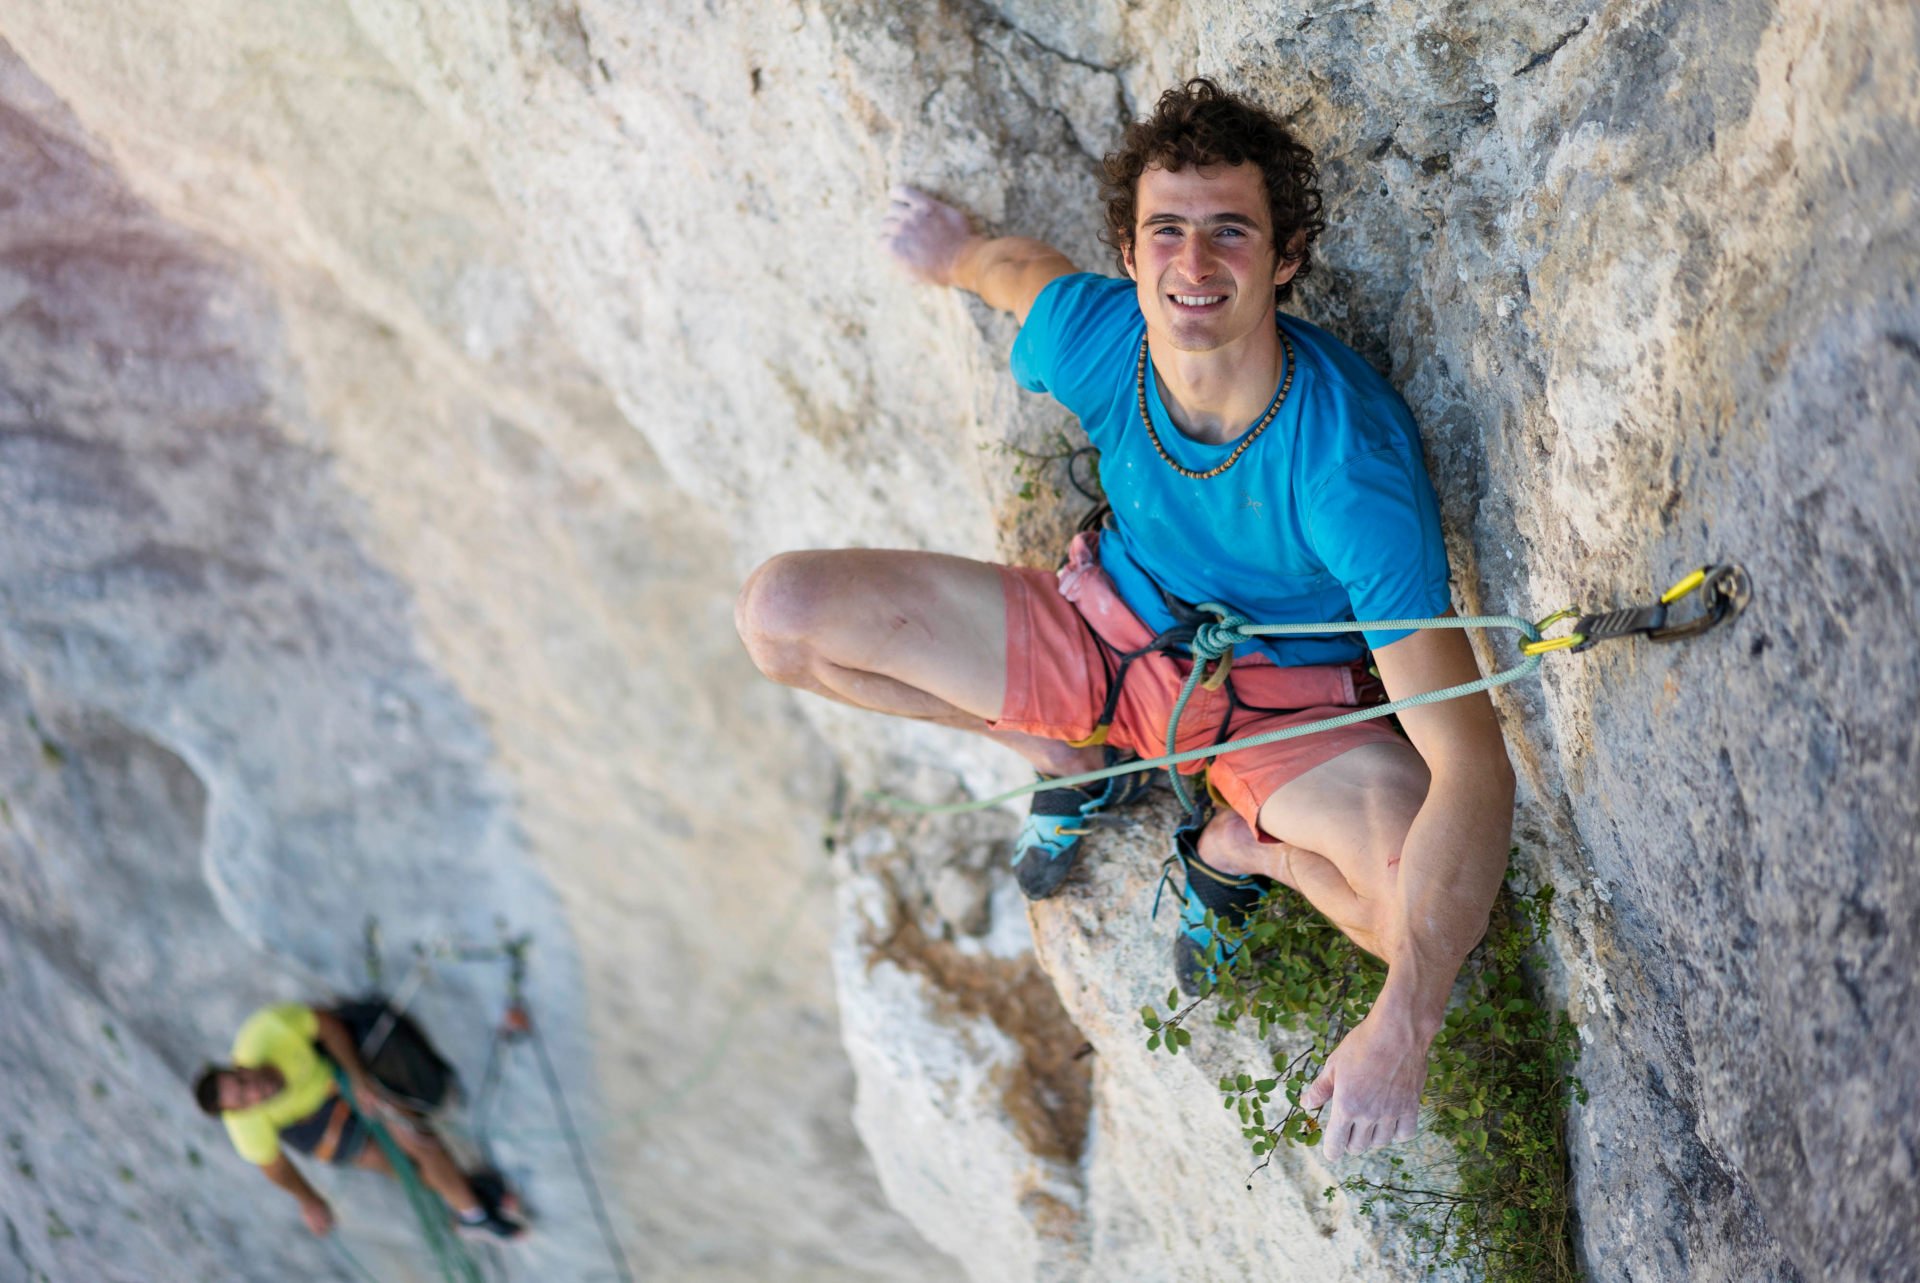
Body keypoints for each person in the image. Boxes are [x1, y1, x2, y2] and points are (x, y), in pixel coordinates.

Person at [734, 77, 1516, 1163]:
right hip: (1101, 633)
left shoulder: (1347, 467)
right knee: (779, 616)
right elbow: (1020, 278)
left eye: (1231, 233)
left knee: (1416, 923)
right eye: (1168, 233)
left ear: (1285, 257)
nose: (1195, 266)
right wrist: (952, 252)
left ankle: (1244, 849)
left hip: (1278, 718)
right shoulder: (1107, 340)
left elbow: (1470, 760)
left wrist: (1404, 1027)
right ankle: (1064, 751)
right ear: (1132, 248)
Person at [191, 1001, 524, 1239]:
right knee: (395, 1164)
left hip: (336, 1085)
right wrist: (311, 1201)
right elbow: (276, 1168)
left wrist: (358, 1075)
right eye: (244, 1100)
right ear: (239, 1113)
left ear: (239, 1066)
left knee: (415, 1137)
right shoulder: (246, 1127)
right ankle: (471, 1206)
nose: (255, 1093)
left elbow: (328, 1025)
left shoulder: (265, 1031)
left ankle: (472, 1211)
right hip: (311, 1128)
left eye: (244, 1083)